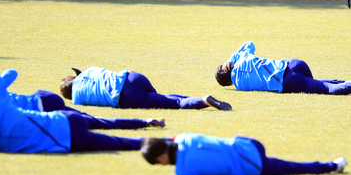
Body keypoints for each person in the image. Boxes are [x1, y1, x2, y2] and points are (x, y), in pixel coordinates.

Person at [0, 69, 154, 153]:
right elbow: (6, 74)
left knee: (118, 143)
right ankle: (145, 122)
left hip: (66, 141)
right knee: (96, 121)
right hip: (52, 109)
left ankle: (157, 139)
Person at [141, 133, 346, 175]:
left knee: (295, 167)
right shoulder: (185, 136)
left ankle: (333, 166)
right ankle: (332, 166)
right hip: (249, 144)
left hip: (252, 166)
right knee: (292, 165)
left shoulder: (183, 171)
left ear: (160, 159)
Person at [215, 41, 351, 98]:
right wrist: (230, 60)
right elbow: (249, 44)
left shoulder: (239, 85)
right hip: (293, 63)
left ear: (228, 82)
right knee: (319, 83)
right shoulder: (243, 57)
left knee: (325, 89)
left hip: (287, 81)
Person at [60, 67, 232, 110]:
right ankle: (204, 99)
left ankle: (203, 101)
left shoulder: (77, 98)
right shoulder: (88, 70)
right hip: (133, 77)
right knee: (165, 98)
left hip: (126, 96)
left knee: (173, 104)